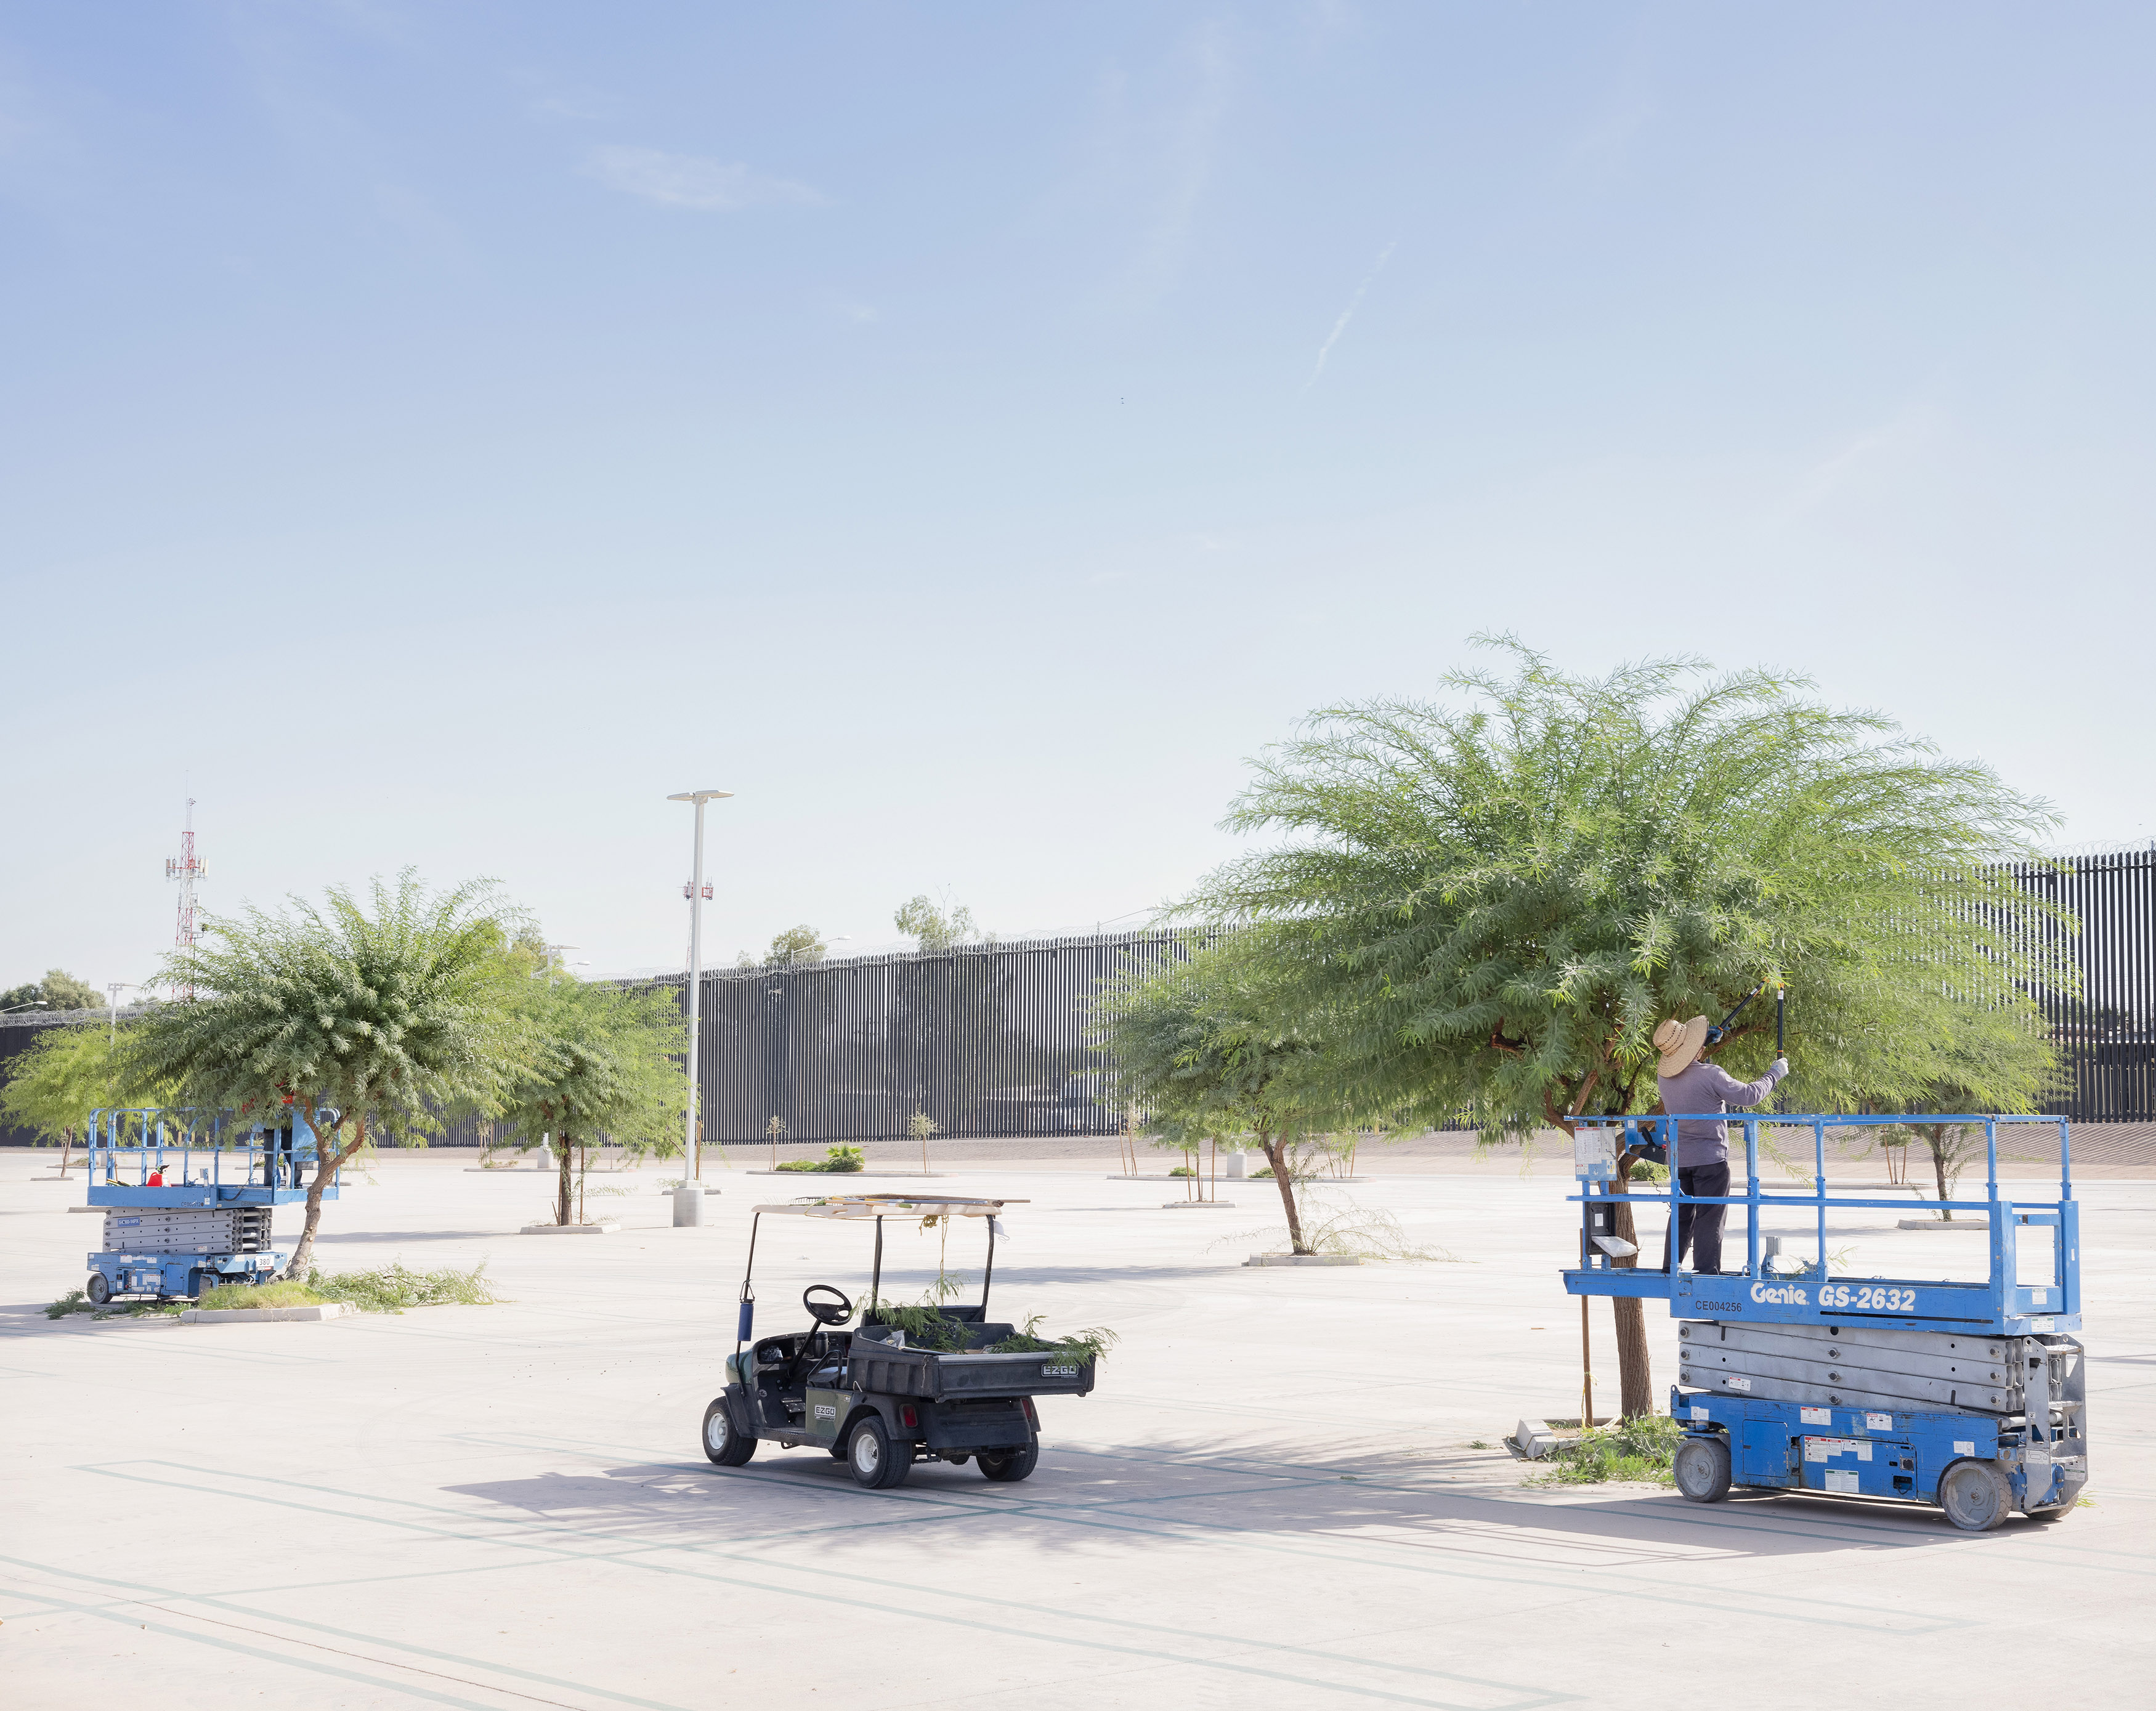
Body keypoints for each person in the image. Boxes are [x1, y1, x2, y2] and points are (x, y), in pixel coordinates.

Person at [1652, 1015, 1788, 1274]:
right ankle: (1706, 1271)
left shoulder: (1664, 1078)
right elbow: (1749, 1096)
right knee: (1710, 1216)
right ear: (1695, 1049)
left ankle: (1671, 1268)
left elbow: (1691, 1075)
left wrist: (1701, 1044)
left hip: (1680, 1159)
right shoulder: (1712, 1074)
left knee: (1681, 1213)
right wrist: (1774, 1074)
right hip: (1710, 1159)